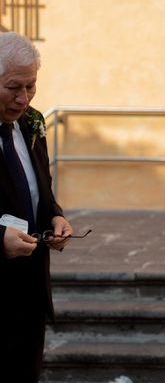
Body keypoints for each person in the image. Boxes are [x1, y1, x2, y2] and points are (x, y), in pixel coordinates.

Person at [0, 32, 74, 382]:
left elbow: (38, 185)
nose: (23, 98)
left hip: (30, 289)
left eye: (31, 86)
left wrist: (55, 216)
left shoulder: (32, 122)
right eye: (13, 87)